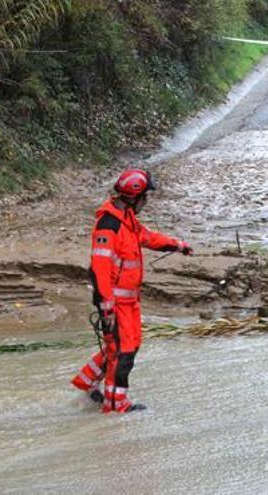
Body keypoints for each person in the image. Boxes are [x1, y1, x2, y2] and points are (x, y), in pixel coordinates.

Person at [71, 169, 193, 413]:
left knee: (128, 345)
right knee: (123, 351)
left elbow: (146, 237)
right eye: (145, 197)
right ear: (133, 196)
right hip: (114, 303)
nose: (146, 202)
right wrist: (107, 307)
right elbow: (100, 270)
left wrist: (177, 245)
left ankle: (87, 384)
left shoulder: (126, 217)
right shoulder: (109, 225)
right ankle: (116, 405)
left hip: (128, 301)